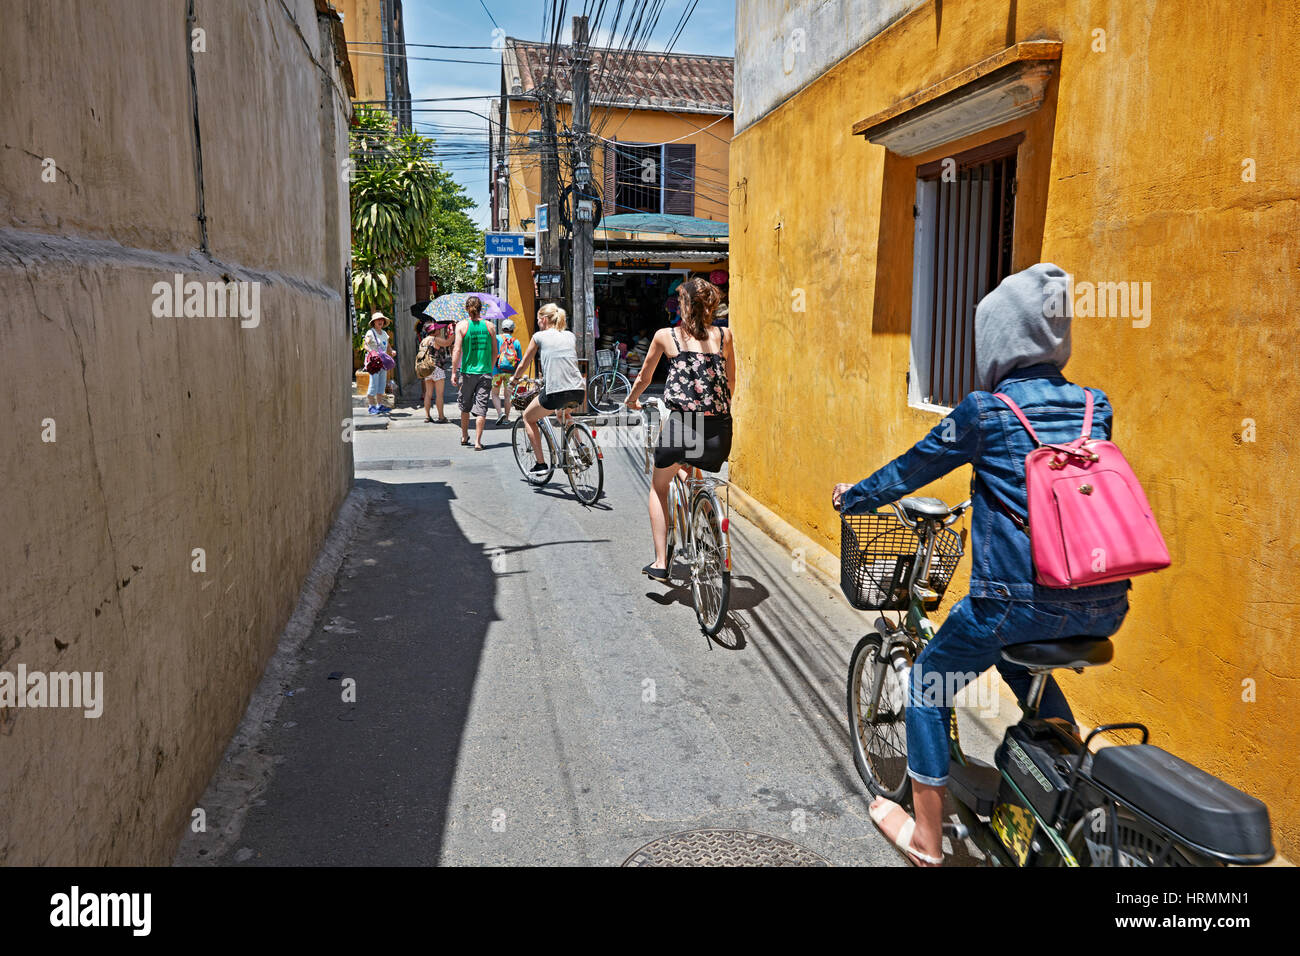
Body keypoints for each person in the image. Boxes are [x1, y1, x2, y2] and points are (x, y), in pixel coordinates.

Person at [830, 263, 1131, 866]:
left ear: (995, 340)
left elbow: (910, 470)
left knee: (926, 684)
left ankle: (927, 842)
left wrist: (853, 496)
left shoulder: (985, 412)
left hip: (1010, 603)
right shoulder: (1094, 408)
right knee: (1024, 667)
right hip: (1101, 604)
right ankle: (1065, 788)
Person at [626, 276, 736, 581]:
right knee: (692, 465)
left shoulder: (666, 335)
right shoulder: (725, 337)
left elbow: (644, 377)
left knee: (658, 487)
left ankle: (661, 562)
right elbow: (731, 384)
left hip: (681, 427)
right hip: (719, 433)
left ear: (684, 306)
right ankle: (710, 524)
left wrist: (632, 400)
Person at [508, 304, 585, 476]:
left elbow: (524, 364)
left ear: (543, 319)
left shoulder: (539, 336)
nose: (538, 323)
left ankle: (541, 463)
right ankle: (581, 447)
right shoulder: (570, 335)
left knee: (528, 417)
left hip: (556, 391)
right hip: (578, 390)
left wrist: (514, 380)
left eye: (538, 320)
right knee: (563, 414)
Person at [451, 296, 498, 450]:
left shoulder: (461, 326)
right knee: (481, 408)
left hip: (467, 373)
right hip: (485, 373)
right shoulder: (490, 326)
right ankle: (478, 442)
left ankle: (464, 436)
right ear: (481, 309)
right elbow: (495, 352)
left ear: (466, 309)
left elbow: (457, 350)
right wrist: (490, 368)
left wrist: (453, 372)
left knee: (465, 407)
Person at [418, 320, 454, 423]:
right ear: (434, 330)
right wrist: (455, 333)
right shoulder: (435, 339)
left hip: (427, 369)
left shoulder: (423, 341)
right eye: (438, 328)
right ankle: (441, 417)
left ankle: (427, 416)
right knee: (439, 395)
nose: (440, 329)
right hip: (437, 368)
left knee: (428, 394)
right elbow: (448, 343)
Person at [362, 312, 396, 416]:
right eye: (378, 320)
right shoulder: (370, 332)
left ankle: (379, 405)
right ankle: (371, 406)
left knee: (381, 384)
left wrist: (391, 351)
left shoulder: (384, 333)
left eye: (382, 320)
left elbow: (388, 345)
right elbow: (365, 344)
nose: (380, 321)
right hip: (374, 363)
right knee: (373, 384)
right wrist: (371, 351)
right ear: (374, 322)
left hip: (383, 363)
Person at [491, 317, 523, 426]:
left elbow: (491, 353)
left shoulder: (496, 338)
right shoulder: (516, 342)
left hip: (497, 371)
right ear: (512, 329)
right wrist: (518, 376)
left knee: (495, 394)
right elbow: (520, 360)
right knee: (507, 396)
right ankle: (507, 419)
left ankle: (500, 413)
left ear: (502, 328)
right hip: (510, 373)